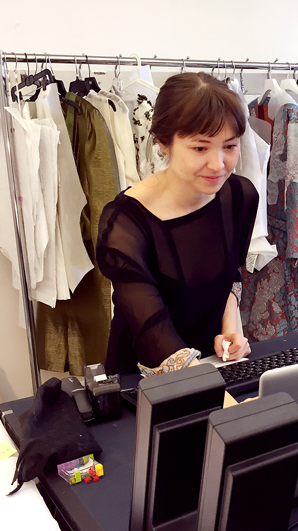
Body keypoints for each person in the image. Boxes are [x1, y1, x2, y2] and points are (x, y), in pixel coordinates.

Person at [96, 72, 258, 375]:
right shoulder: (125, 223)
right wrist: (224, 401)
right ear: (163, 143)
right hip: (145, 377)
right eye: (200, 148)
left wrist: (231, 330)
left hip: (214, 365)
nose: (218, 163)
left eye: (230, 146)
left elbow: (230, 277)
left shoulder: (240, 196)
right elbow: (151, 329)